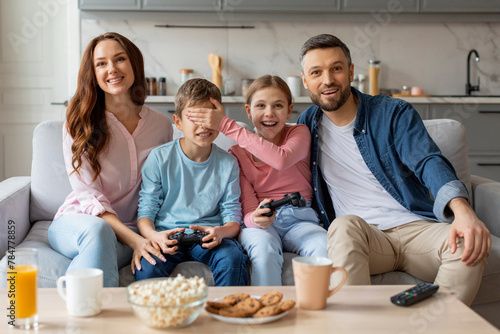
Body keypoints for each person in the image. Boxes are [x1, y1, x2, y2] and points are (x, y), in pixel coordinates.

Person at [297, 34, 491, 305]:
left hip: (416, 228)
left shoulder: (392, 113)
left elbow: (428, 161)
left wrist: (463, 212)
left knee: (467, 245)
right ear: (305, 81)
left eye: (336, 68)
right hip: (365, 237)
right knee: (343, 226)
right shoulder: (306, 125)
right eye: (316, 72)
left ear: (351, 71)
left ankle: (436, 326)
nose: (327, 80)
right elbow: (274, 160)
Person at [48, 32, 173, 287]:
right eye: (101, 63)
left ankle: (80, 302)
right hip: (79, 223)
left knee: (109, 252)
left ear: (134, 64)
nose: (112, 69)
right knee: (98, 230)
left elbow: (163, 188)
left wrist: (143, 237)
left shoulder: (161, 125)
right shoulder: (79, 123)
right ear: (92, 73)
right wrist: (135, 241)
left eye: (119, 59)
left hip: (133, 229)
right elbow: (88, 196)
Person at [186, 75, 327, 286]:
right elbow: (248, 210)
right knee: (263, 249)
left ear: (289, 110)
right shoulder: (236, 154)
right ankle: (267, 309)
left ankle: (318, 310)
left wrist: (226, 125)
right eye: (260, 105)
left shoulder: (299, 133)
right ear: (249, 111)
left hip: (300, 219)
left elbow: (281, 159)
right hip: (261, 226)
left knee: (322, 245)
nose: (269, 113)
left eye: (278, 105)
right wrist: (256, 220)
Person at [134, 78, 248, 286]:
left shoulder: (229, 163)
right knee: (148, 267)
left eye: (210, 117)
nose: (204, 125)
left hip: (207, 237)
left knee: (232, 258)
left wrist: (220, 232)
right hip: (167, 236)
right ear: (178, 122)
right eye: (194, 118)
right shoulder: (159, 158)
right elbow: (145, 213)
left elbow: (233, 217)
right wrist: (153, 236)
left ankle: (227, 313)